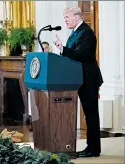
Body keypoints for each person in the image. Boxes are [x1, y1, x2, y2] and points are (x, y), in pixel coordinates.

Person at [54, 7, 103, 158]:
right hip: (79, 78)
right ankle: (91, 146)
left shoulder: (86, 32)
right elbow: (72, 54)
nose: (65, 20)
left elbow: (83, 54)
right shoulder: (76, 32)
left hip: (88, 79)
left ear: (77, 17)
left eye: (67, 17)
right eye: (64, 17)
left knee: (91, 114)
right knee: (88, 114)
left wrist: (63, 48)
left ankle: (93, 149)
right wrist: (62, 50)